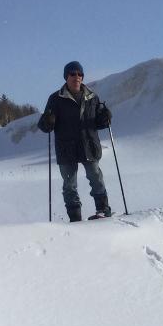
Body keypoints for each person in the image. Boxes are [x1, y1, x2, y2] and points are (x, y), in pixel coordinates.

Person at [38, 61, 113, 222]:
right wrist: (48, 120)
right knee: (69, 185)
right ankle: (75, 219)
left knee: (96, 178)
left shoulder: (92, 97)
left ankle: (103, 210)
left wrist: (105, 118)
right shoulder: (55, 99)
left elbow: (98, 123)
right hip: (67, 148)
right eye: (73, 74)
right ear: (66, 77)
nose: (77, 77)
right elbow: (44, 127)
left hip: (89, 145)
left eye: (80, 74)